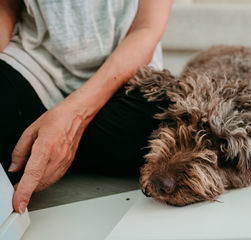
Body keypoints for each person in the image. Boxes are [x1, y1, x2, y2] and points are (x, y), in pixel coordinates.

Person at [0, 0, 173, 214]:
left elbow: (146, 28)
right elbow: (7, 6)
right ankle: (50, 144)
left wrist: (75, 116)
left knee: (150, 128)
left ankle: (48, 145)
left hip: (121, 73)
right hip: (36, 63)